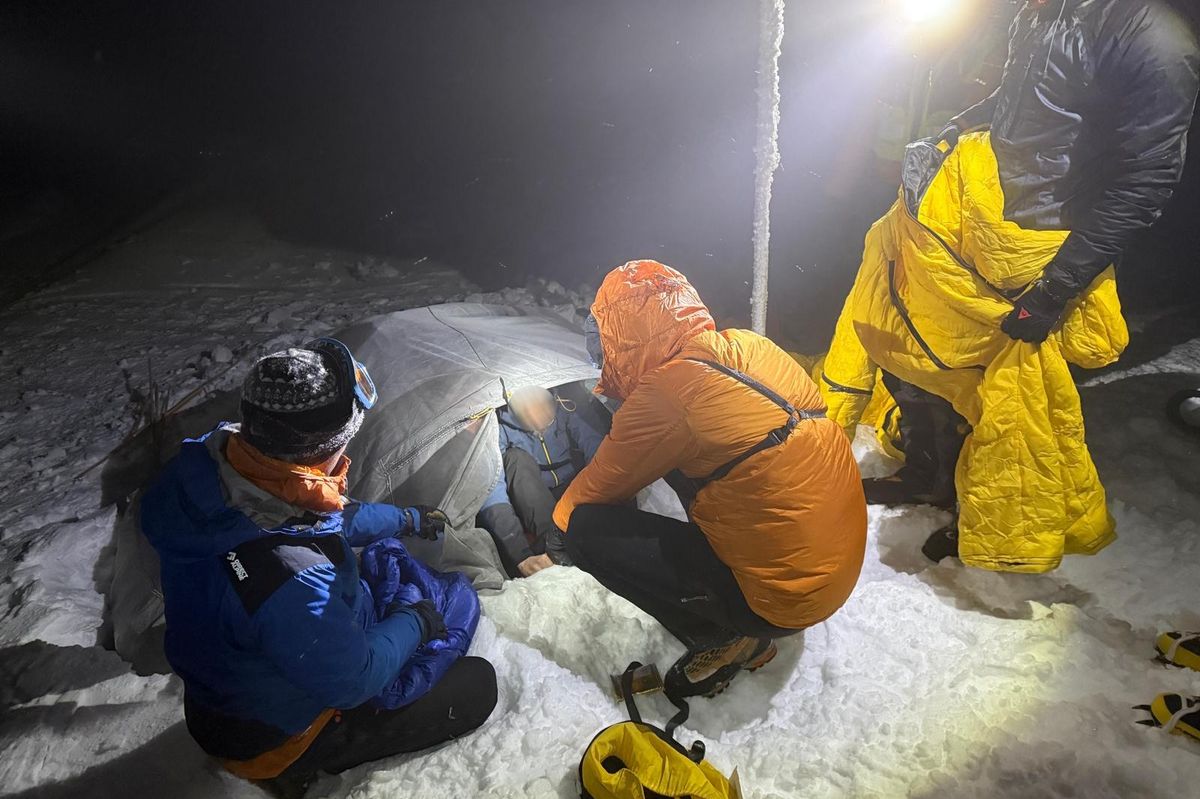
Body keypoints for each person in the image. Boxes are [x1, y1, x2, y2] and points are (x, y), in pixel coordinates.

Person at [841, 0, 1199, 559]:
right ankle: (928, 472)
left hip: (1039, 243)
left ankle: (982, 510)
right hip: (977, 219)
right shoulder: (1051, 8)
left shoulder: (1153, 37)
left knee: (1000, 390)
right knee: (917, 342)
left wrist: (1056, 289)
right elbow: (1027, 98)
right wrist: (964, 123)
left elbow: (1145, 181)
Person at [140, 339, 497, 798]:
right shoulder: (287, 576)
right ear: (324, 448)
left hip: (229, 690)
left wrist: (405, 519)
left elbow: (321, 519)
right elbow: (355, 679)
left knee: (383, 566)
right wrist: (416, 621)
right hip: (269, 736)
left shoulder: (223, 466)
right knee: (475, 685)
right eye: (348, 440)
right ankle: (292, 767)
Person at [552, 260, 868, 699]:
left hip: (784, 600)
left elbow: (588, 498)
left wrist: (558, 530)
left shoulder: (666, 395)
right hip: (834, 571)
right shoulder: (749, 346)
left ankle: (724, 635)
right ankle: (745, 605)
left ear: (623, 339)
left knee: (585, 531)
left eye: (603, 342)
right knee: (707, 462)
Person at [477, 384, 603, 578]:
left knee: (602, 467)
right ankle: (553, 546)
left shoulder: (567, 401)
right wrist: (519, 553)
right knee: (515, 458)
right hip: (532, 493)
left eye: (548, 421)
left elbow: (596, 448)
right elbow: (492, 487)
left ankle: (577, 542)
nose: (542, 428)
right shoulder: (498, 424)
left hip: (570, 483)